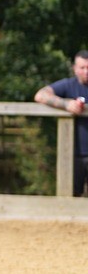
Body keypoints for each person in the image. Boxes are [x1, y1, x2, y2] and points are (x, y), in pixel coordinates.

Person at [34, 50, 88, 196]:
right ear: (75, 68)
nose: (86, 71)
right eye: (82, 68)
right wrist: (66, 104)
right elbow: (40, 95)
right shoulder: (68, 85)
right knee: (72, 195)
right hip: (74, 153)